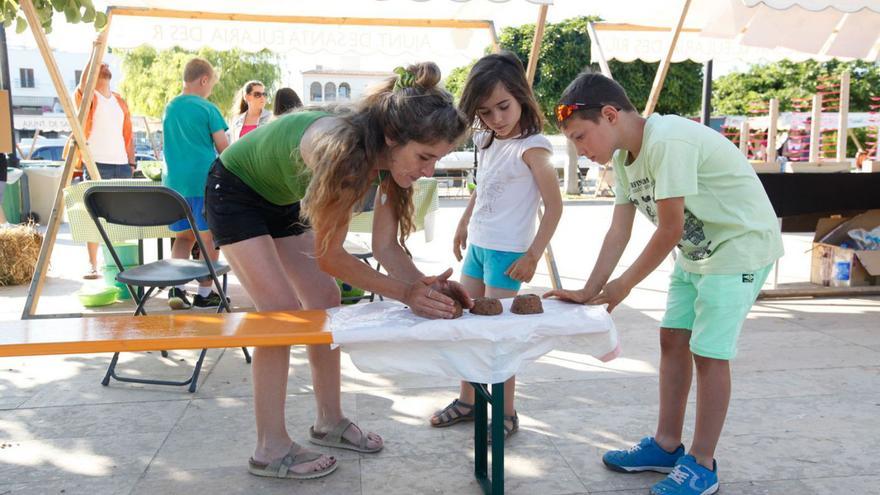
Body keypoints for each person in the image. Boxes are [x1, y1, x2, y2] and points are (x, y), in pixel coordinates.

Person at [204, 62, 470, 480]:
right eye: (424, 156)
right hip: (235, 188)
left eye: (436, 159)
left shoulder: (385, 157)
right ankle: (268, 447)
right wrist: (405, 294)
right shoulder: (345, 152)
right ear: (392, 138)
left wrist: (424, 285)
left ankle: (329, 420)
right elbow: (332, 257)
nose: (428, 171)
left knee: (325, 299)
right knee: (279, 310)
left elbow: (384, 246)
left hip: (279, 197)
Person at [546, 72, 783, 495]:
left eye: (581, 137)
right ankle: (666, 445)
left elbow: (669, 229)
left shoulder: (668, 140)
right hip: (698, 254)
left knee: (708, 353)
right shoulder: (623, 159)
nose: (581, 150)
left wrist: (623, 286)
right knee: (672, 339)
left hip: (739, 248)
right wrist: (589, 288)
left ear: (610, 114)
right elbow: (617, 232)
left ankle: (703, 463)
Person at [428, 52, 563, 442]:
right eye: (485, 112)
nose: (496, 118)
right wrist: (464, 221)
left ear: (521, 96)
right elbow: (483, 185)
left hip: (508, 254)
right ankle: (468, 401)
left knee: (499, 334)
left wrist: (533, 255)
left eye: (503, 106)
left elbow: (554, 206)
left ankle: (506, 411)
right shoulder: (487, 141)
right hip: (479, 247)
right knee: (467, 326)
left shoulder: (534, 146)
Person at [162, 57, 229, 309]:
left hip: (174, 186)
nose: (209, 89)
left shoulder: (169, 107)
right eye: (210, 84)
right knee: (208, 239)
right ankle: (204, 293)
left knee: (184, 238)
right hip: (202, 183)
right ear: (203, 80)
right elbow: (224, 148)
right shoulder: (207, 108)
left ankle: (177, 290)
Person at [66, 59, 136, 279]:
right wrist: (93, 56)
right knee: (95, 215)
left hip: (122, 165)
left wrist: (131, 163)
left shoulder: (119, 101)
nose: (105, 66)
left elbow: (128, 134)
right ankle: (93, 264)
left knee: (123, 217)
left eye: (106, 65)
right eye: (100, 65)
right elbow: (83, 82)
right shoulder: (88, 97)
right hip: (97, 162)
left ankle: (121, 263)